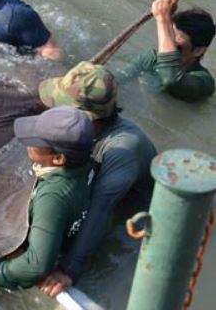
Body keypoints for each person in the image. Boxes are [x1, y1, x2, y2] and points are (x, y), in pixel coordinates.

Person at [36, 62, 157, 297]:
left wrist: (69, 269)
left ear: (87, 117)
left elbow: (101, 210)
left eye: (61, 108)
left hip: (135, 220)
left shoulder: (122, 150)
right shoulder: (86, 133)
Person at [0, 106, 93, 289]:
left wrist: (2, 273)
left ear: (58, 159)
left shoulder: (51, 197)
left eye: (35, 142)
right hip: (63, 229)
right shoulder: (89, 164)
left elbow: (36, 266)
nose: (28, 144)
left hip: (37, 251)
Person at [116, 0, 215, 102]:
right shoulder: (152, 59)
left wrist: (163, 20)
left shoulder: (204, 82)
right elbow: (118, 81)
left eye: (175, 46)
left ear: (198, 51)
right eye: (167, 41)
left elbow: (171, 81)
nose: (166, 50)